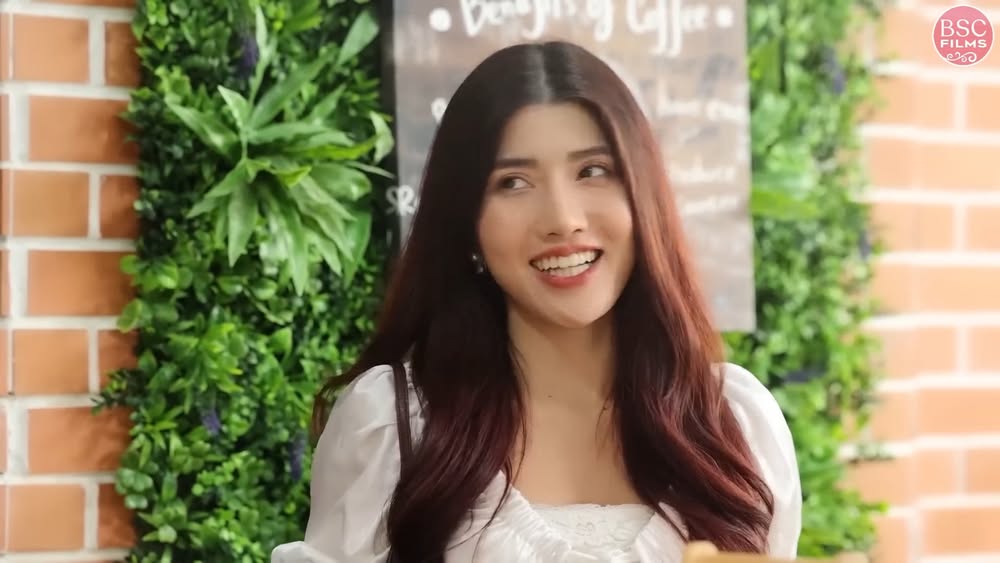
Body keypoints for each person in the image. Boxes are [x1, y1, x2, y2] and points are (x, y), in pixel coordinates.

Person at [271, 40, 802, 562]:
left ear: (643, 195)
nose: (563, 219)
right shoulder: (393, 427)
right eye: (513, 182)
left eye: (592, 171)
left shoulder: (733, 424)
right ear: (467, 222)